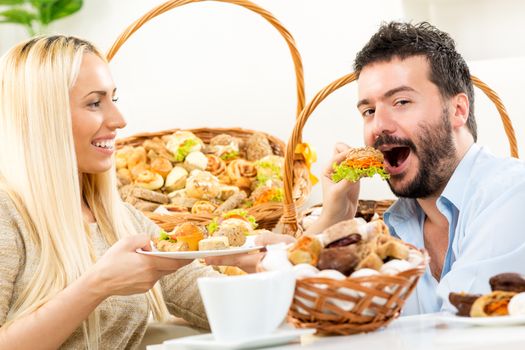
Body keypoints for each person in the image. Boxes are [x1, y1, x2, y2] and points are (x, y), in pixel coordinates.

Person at [0, 35, 228, 349]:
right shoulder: (6, 214)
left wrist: (267, 265)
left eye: (113, 99)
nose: (119, 120)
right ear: (45, 118)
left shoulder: (119, 219)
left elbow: (208, 301)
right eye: (95, 102)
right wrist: (97, 285)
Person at [306, 22, 525, 314]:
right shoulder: (396, 227)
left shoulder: (512, 193)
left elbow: (462, 331)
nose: (379, 126)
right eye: (369, 111)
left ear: (457, 111)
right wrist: (331, 224)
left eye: (401, 101)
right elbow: (326, 316)